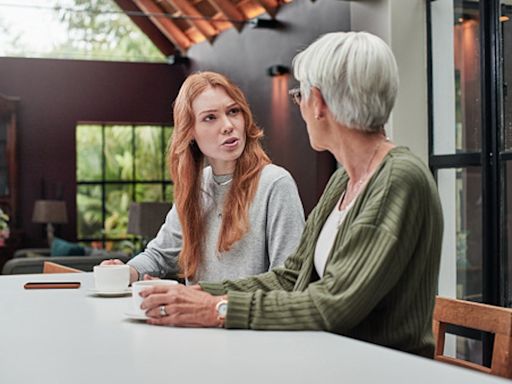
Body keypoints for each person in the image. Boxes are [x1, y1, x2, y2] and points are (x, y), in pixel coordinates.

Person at [138, 32, 444, 358]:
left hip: (377, 370)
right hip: (333, 359)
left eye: (300, 96)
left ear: (320, 103)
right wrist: (204, 294)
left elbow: (333, 304)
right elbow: (291, 276)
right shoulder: (344, 180)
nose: (299, 106)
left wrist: (219, 309)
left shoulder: (398, 181)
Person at [103, 71, 305, 285]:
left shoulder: (275, 183)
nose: (228, 125)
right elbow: (159, 254)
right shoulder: (198, 186)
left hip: (242, 317)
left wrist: (211, 302)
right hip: (192, 318)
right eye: (210, 117)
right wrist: (127, 271)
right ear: (190, 131)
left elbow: (288, 280)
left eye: (233, 111)